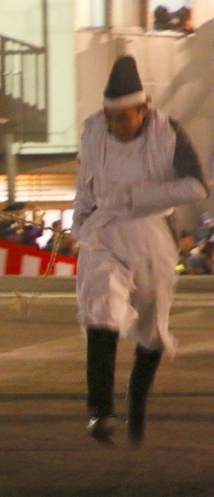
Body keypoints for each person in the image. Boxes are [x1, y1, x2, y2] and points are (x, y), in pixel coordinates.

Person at [73, 55, 207, 446]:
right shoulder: (93, 132)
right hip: (103, 234)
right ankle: (99, 411)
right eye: (110, 117)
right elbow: (86, 183)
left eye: (124, 117)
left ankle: (138, 398)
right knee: (101, 310)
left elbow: (197, 188)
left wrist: (134, 197)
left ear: (144, 109)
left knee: (151, 330)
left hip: (150, 235)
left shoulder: (169, 134)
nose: (115, 125)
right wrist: (80, 220)